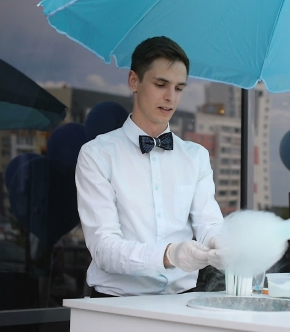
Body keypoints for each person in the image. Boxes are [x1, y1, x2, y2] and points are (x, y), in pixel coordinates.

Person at [75, 36, 224, 297]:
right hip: (115, 308)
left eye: (179, 88)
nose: (170, 97)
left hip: (182, 305)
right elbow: (103, 248)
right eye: (160, 84)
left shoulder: (196, 156)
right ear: (134, 81)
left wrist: (221, 244)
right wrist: (169, 254)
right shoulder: (96, 155)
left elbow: (209, 226)